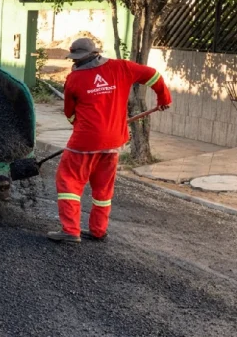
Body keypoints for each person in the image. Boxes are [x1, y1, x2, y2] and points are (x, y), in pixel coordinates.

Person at [47, 38, 172, 244]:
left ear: (79, 59)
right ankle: (98, 230)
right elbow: (153, 75)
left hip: (84, 142)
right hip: (113, 142)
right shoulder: (121, 67)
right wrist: (163, 98)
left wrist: (83, 128)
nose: (74, 63)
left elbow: (70, 113)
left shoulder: (74, 79)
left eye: (75, 59)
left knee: (68, 181)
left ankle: (70, 230)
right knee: (103, 188)